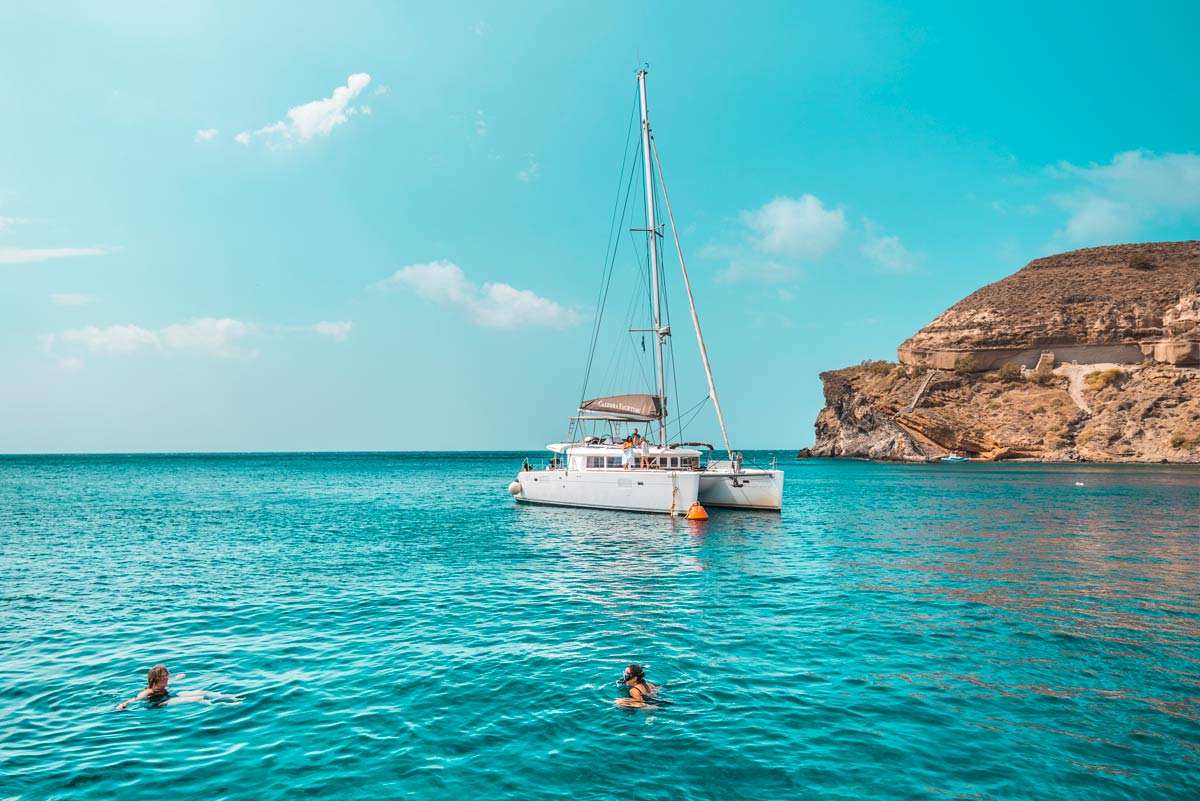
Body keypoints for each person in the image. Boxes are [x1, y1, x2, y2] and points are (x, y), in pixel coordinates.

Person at [117, 664, 183, 710]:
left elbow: (170, 681)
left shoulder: (162, 685)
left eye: (166, 676)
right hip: (155, 705)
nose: (166, 678)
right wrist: (125, 703)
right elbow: (136, 698)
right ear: (155, 679)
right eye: (163, 676)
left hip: (164, 701)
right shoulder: (149, 691)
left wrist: (176, 678)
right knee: (191, 699)